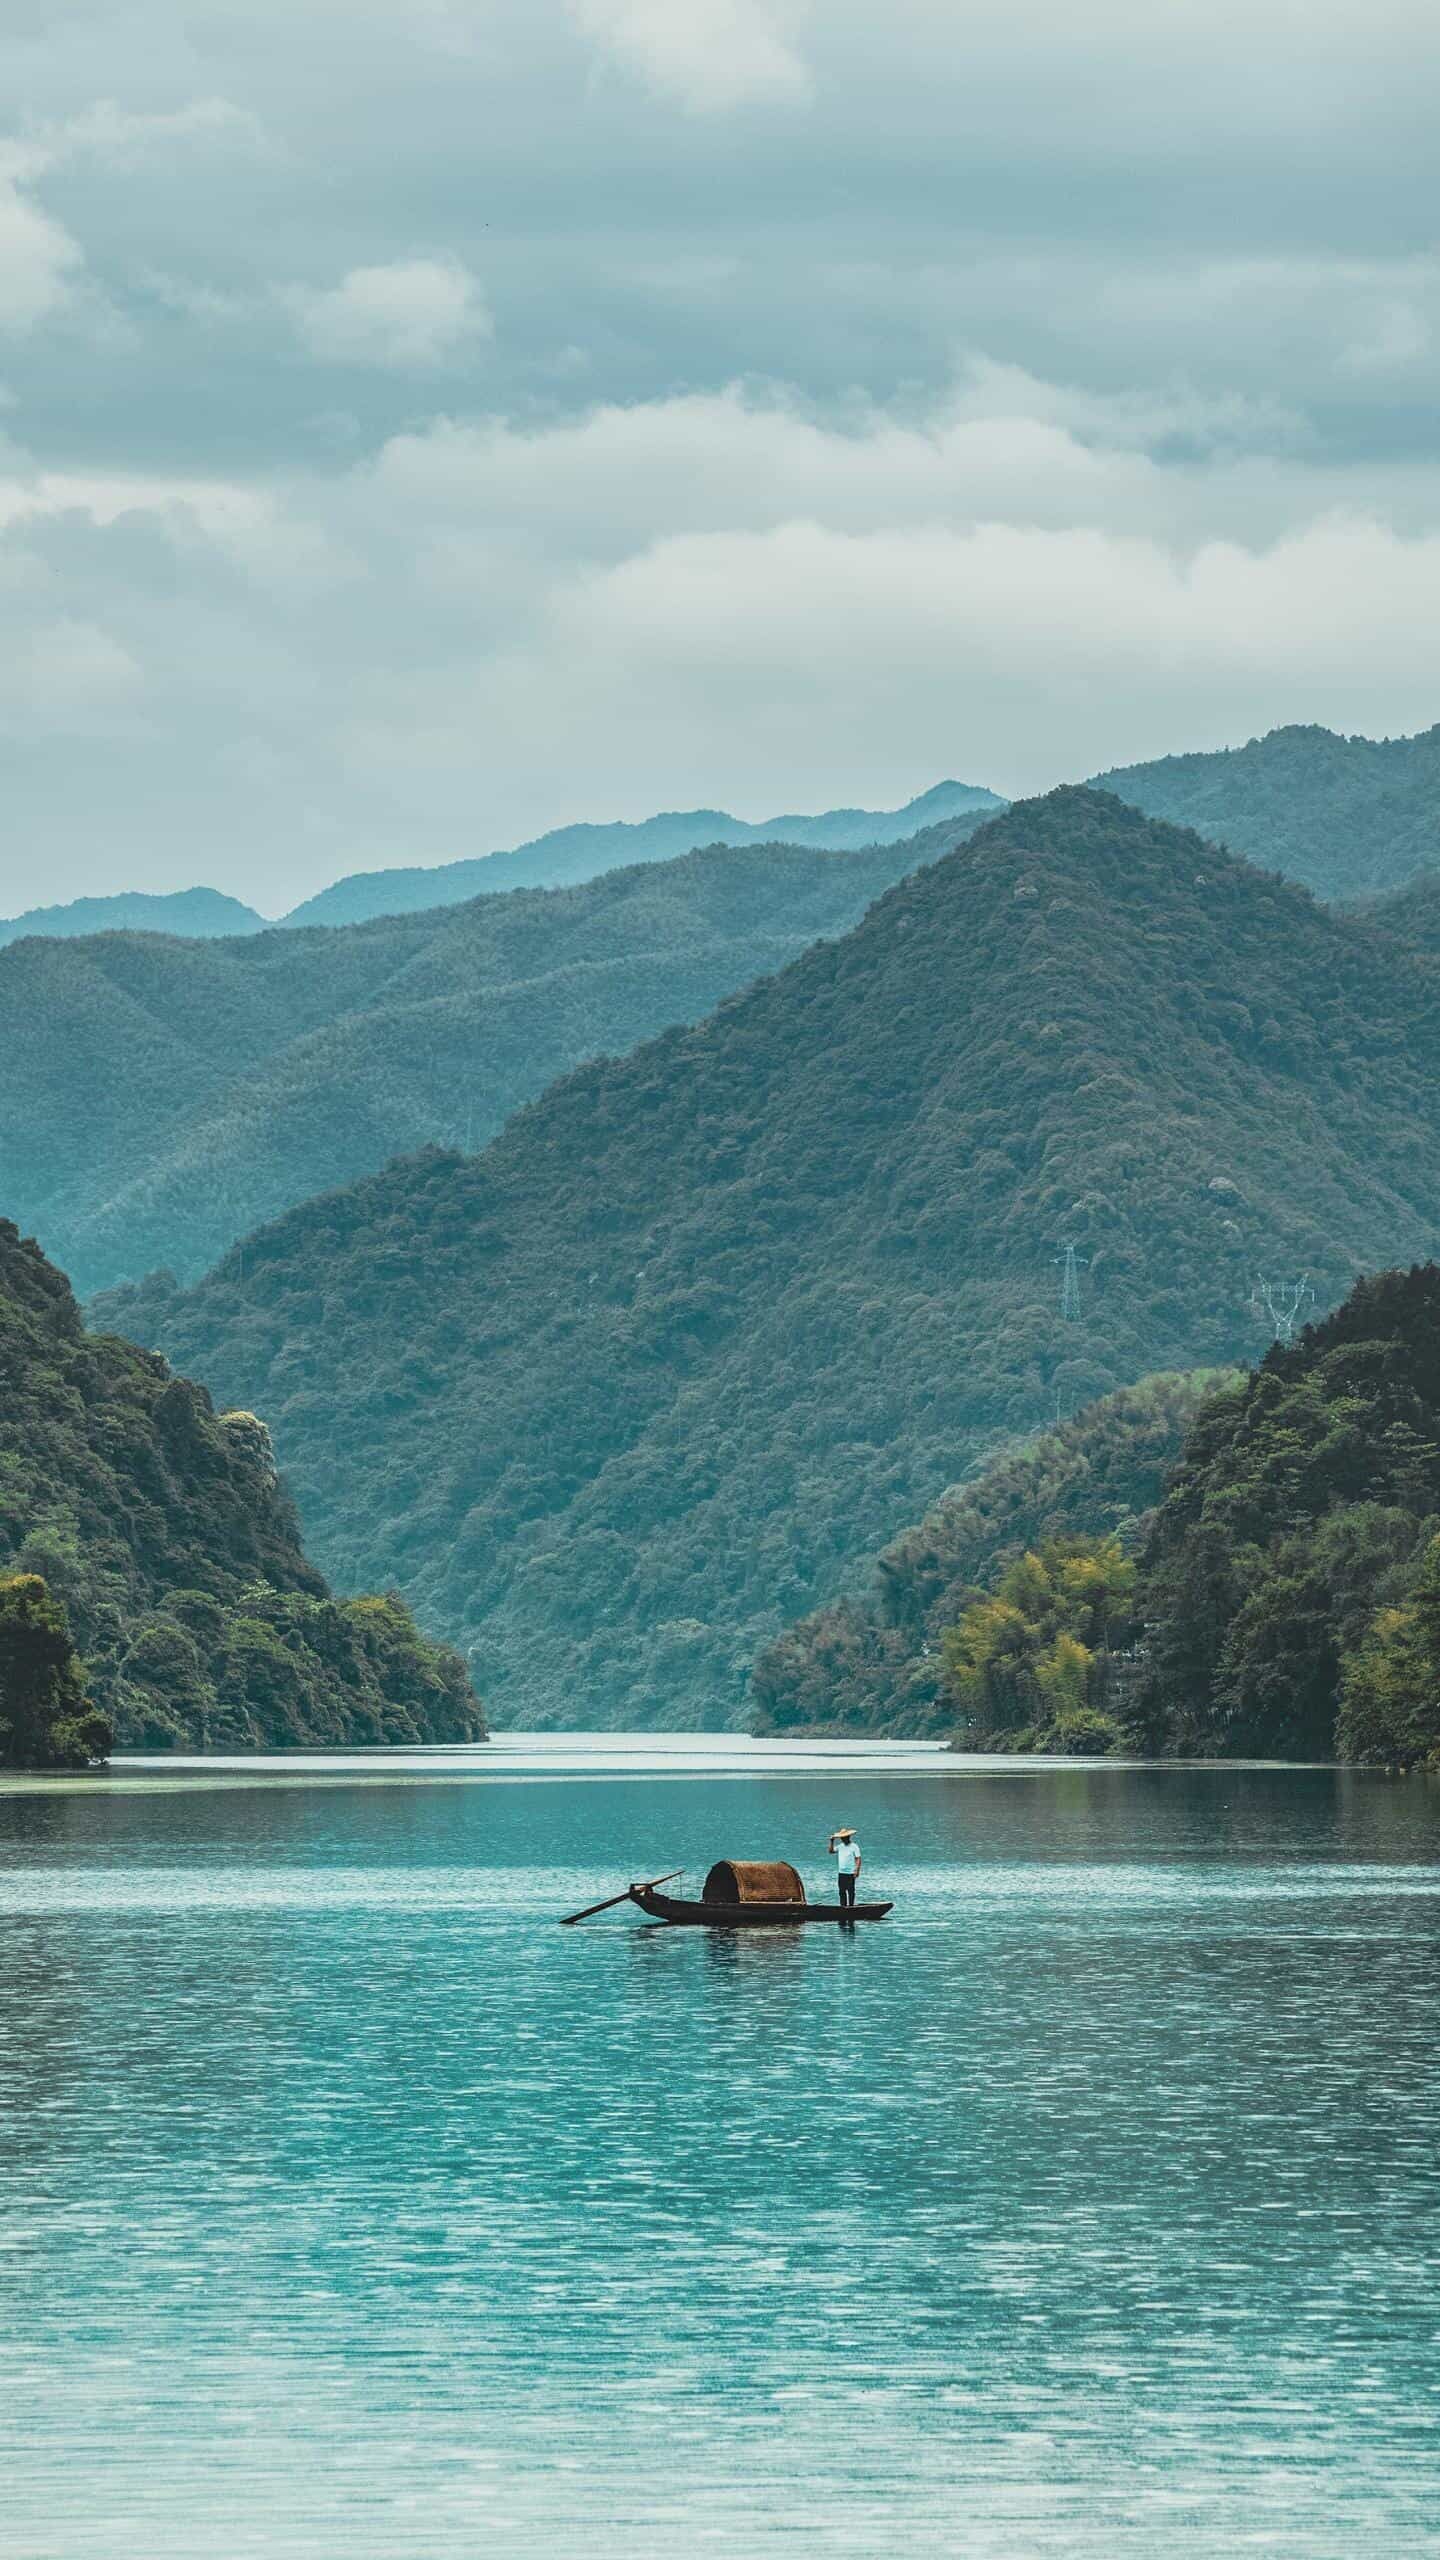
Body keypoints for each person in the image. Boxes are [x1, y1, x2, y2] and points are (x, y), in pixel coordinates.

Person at [828, 1826, 862, 1912]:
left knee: (851, 1891)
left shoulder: (854, 1846)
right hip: (841, 1872)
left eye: (845, 1837)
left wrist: (857, 1870)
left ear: (848, 1837)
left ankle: (851, 1907)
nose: (843, 1839)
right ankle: (843, 1907)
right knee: (841, 1891)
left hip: (850, 1872)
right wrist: (831, 1841)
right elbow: (831, 1851)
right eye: (842, 1838)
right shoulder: (840, 1846)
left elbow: (858, 1858)